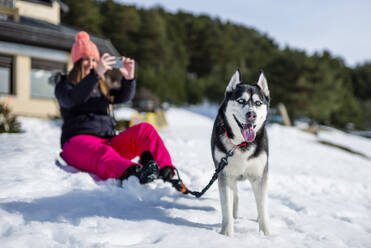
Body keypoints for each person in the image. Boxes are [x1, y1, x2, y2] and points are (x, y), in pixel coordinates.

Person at [54, 31, 174, 184]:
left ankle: (165, 171)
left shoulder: (101, 86)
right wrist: (96, 74)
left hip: (108, 142)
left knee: (145, 130)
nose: (91, 64)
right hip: (77, 144)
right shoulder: (64, 85)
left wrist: (129, 78)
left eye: (94, 60)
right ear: (77, 62)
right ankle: (133, 173)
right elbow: (73, 98)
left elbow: (123, 97)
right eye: (86, 60)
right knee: (102, 153)